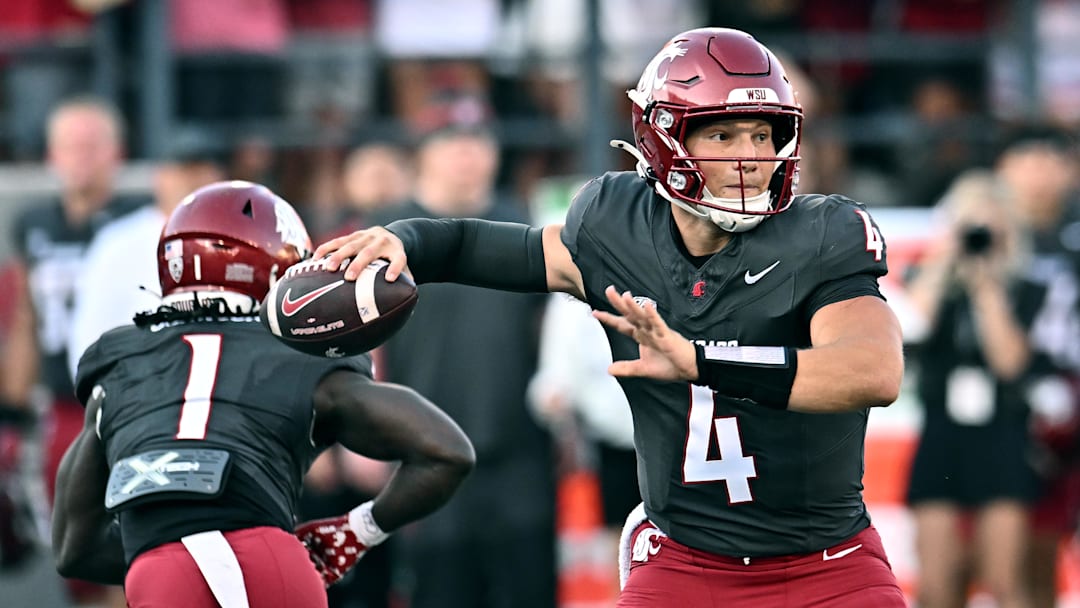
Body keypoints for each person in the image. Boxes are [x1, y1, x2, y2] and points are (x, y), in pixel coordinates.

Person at [316, 27, 907, 607]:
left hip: (827, 563)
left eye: (762, 133)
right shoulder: (616, 224)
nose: (749, 157)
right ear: (662, 138)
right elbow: (506, 251)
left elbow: (872, 371)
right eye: (722, 134)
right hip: (686, 561)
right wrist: (407, 240)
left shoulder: (822, 232)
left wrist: (703, 362)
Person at [51, 181, 475, 607]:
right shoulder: (300, 355)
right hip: (257, 561)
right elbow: (446, 450)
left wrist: (161, 550)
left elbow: (74, 549)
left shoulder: (119, 362)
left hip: (157, 573)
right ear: (283, 266)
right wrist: (356, 531)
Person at [360, 96, 556, 608]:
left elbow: (557, 338)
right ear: (422, 153)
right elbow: (351, 339)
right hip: (426, 453)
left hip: (520, 454)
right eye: (452, 141)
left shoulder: (527, 230)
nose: (468, 154)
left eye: (479, 140)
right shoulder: (387, 235)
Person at [3, 95, 145, 608]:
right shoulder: (34, 222)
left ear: (117, 154)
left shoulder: (143, 222)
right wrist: (13, 409)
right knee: (78, 554)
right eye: (70, 146)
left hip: (132, 407)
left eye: (92, 146)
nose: (81, 158)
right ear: (51, 156)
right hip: (65, 407)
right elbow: (27, 316)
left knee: (133, 547)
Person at [904, 171, 1043, 608]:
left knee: (1004, 580)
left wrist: (986, 286)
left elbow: (1010, 362)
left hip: (1002, 432)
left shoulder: (1027, 288)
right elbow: (911, 327)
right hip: (942, 430)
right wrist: (945, 262)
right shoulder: (928, 279)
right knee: (937, 584)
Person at [65, 130, 225, 379]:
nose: (192, 179)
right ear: (159, 176)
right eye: (182, 169)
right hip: (142, 394)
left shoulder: (236, 240)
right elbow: (88, 345)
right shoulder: (117, 242)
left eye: (201, 169)